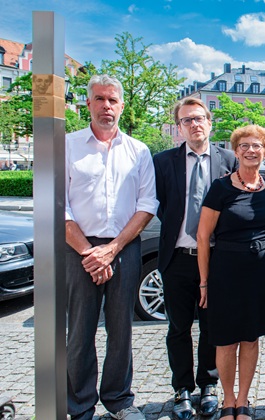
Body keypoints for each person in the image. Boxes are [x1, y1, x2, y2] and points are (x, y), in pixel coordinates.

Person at [65, 74, 158, 420]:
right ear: (88, 104)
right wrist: (91, 252)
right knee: (80, 330)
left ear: (122, 105)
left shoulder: (138, 150)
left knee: (121, 329)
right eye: (100, 99)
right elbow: (58, 205)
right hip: (78, 250)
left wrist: (113, 248)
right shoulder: (67, 145)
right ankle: (79, 406)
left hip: (124, 247)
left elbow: (148, 204)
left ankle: (119, 400)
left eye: (113, 100)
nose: (107, 106)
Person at [153, 97, 238, 419]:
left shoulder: (229, 159)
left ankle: (208, 385)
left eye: (199, 118)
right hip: (177, 257)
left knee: (211, 326)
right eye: (187, 120)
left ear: (210, 122)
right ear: (179, 127)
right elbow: (158, 204)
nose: (194, 124)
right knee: (178, 326)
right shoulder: (163, 162)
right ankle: (182, 388)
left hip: (216, 258)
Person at [197, 125, 265, 420]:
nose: (251, 151)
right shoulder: (221, 188)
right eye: (244, 146)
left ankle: (243, 401)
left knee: (251, 339)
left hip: (260, 275)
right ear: (235, 151)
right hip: (226, 274)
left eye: (257, 146)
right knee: (226, 340)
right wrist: (204, 282)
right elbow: (203, 236)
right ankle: (228, 400)